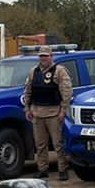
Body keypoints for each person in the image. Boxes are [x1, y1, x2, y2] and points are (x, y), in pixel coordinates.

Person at [21, 46, 73, 180]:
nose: (43, 58)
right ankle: (42, 168)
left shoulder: (59, 71)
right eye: (41, 56)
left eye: (46, 56)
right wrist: (27, 108)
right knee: (40, 144)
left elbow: (66, 91)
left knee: (57, 143)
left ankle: (62, 168)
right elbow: (28, 91)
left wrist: (63, 110)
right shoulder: (34, 71)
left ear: (51, 56)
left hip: (54, 112)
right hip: (37, 112)